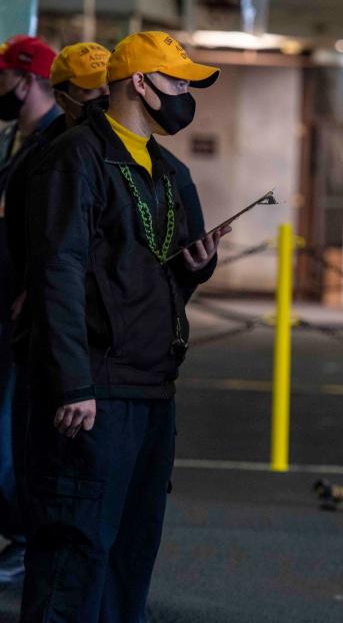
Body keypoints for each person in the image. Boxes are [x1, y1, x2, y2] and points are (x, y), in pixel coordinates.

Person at [19, 31, 225, 622]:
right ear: (140, 82)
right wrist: (73, 383)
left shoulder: (165, 167)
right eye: (179, 80)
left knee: (131, 556)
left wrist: (197, 266)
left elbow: (157, 270)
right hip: (95, 391)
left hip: (151, 385)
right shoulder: (75, 156)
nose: (186, 94)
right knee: (74, 553)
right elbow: (57, 271)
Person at [0, 34, 58, 586]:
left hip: (21, 315)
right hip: (7, 306)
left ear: (27, 80)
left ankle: (23, 539)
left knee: (10, 433)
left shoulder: (52, 145)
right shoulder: (19, 141)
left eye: (3, 78)